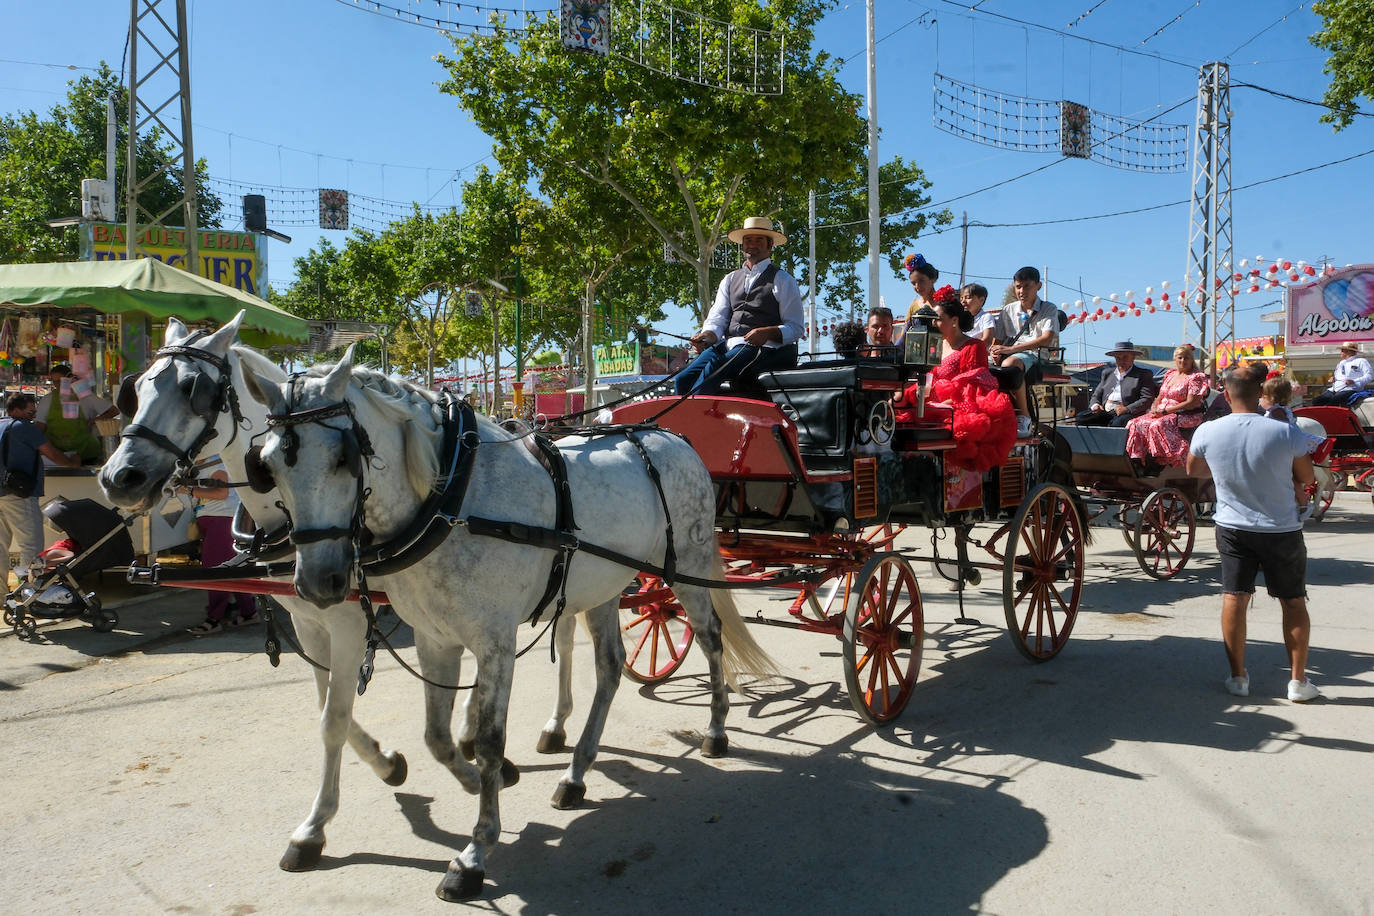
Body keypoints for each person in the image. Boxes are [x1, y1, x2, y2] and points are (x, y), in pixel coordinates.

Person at [1186, 366, 1321, 702]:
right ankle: (1298, 683)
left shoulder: (1208, 431)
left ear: (1227, 395)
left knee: (1234, 598)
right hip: (1282, 529)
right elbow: (1304, 476)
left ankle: (1238, 678)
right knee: (1293, 601)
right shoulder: (1285, 432)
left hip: (1233, 527)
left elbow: (1193, 469)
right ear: (1260, 396)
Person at [675, 217, 804, 395]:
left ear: (770, 245)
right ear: (743, 245)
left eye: (759, 240)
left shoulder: (783, 280)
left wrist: (767, 332)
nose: (752, 244)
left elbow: (795, 327)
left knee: (714, 369)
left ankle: (700, 419)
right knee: (682, 379)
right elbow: (717, 318)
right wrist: (706, 336)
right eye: (748, 240)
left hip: (762, 350)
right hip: (727, 345)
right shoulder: (729, 279)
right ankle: (681, 421)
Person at [893, 285, 1016, 472]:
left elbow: (975, 383)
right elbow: (928, 378)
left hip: (960, 407)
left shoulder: (973, 346)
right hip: (932, 403)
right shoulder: (934, 345)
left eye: (938, 320)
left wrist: (947, 401)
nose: (934, 325)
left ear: (954, 321)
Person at [0, 393, 81, 586]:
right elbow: (51, 453)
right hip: (18, 495)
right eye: (31, 411)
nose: (33, 416)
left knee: (1, 546)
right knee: (31, 545)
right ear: (16, 410)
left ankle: (1, 595)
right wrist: (72, 462)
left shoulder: (1, 424)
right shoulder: (25, 428)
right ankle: (31, 592)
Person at [182, 455, 256, 635]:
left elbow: (221, 493)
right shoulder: (206, 464)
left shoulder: (215, 463)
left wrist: (189, 491)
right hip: (220, 521)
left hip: (221, 521)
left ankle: (214, 619)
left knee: (214, 571)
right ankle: (248, 613)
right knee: (233, 571)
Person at [990, 266, 1059, 437]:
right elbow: (997, 341)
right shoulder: (1008, 310)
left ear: (1038, 286)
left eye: (1027, 286)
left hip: (1035, 354)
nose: (1022, 291)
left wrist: (1010, 350)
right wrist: (994, 352)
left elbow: (1046, 339)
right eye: (1018, 286)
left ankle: (1025, 416)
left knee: (1010, 364)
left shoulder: (1048, 308)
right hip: (1010, 352)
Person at [1125, 344, 1210, 466]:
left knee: (1157, 425)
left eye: (1186, 358)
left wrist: (1166, 411)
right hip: (1163, 412)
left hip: (1185, 414)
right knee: (1133, 423)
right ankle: (1138, 460)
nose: (1183, 361)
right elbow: (1160, 396)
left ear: (1192, 360)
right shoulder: (1170, 374)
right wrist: (1154, 407)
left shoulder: (1195, 377)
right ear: (1175, 359)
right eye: (1180, 357)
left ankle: (1173, 458)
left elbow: (1192, 403)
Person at [35, 363, 117, 465]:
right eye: (54, 381)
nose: (57, 384)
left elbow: (114, 411)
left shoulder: (86, 397)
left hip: (86, 454)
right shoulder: (47, 400)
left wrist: (94, 420)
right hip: (58, 455)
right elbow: (40, 427)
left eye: (60, 380)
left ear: (70, 378)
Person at [1074, 341, 1159, 427]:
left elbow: (1147, 399)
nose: (1121, 360)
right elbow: (1096, 395)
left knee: (1117, 423)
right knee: (1081, 418)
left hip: (1128, 413)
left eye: (1125, 357)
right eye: (1118, 358)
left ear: (1133, 357)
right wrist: (1095, 405)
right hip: (1105, 412)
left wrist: (1126, 409)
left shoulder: (1143, 374)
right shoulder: (1107, 373)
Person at [899, 253, 939, 340]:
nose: (917, 286)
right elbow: (904, 335)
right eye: (913, 283)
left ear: (932, 279)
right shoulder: (914, 305)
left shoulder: (943, 303)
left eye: (921, 281)